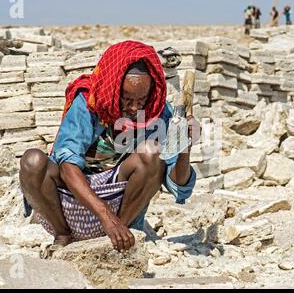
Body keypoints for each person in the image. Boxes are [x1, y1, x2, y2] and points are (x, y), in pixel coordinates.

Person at [19, 41, 198, 255]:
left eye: (141, 100)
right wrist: (106, 217)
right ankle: (63, 236)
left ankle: (118, 240)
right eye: (127, 98)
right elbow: (67, 165)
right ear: (113, 87)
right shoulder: (88, 102)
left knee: (152, 152)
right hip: (71, 200)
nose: (134, 108)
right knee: (32, 161)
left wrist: (185, 146)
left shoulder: (157, 113)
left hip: (120, 207)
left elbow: (177, 186)